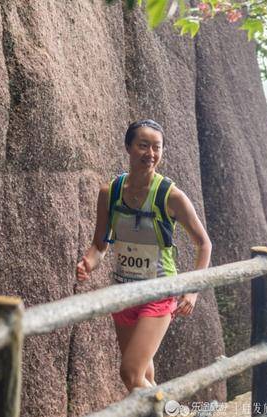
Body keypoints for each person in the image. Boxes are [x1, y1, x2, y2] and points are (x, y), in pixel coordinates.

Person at [75, 119, 212, 394]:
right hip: (123, 293)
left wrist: (193, 291)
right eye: (143, 145)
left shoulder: (170, 196)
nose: (150, 153)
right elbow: (99, 245)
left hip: (159, 291)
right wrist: (88, 262)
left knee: (130, 371)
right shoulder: (110, 192)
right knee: (142, 375)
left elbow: (204, 244)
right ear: (128, 147)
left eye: (156, 147)